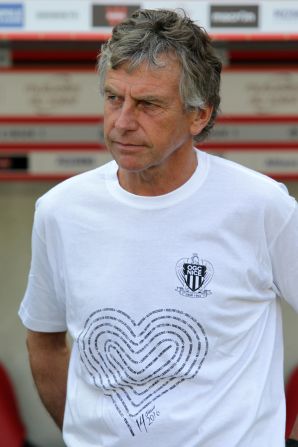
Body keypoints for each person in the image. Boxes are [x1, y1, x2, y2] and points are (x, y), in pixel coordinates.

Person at [19, 8, 298, 447]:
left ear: (198, 116)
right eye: (114, 98)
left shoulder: (261, 206)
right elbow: (44, 341)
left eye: (148, 104)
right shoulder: (60, 210)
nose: (123, 122)